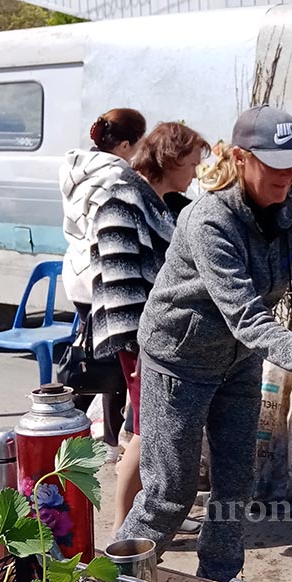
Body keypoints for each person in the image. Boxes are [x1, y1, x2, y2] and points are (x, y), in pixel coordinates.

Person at [113, 105, 292, 582]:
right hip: (179, 361)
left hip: (237, 363)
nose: (287, 176)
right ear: (240, 157)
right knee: (169, 493)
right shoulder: (210, 220)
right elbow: (248, 316)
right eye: (275, 165)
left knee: (236, 485)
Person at [86, 122, 211, 532]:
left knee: (145, 432)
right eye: (191, 163)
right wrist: (142, 349)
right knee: (144, 434)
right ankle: (125, 539)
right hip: (140, 340)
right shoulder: (122, 197)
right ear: (170, 159)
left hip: (156, 339)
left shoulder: (159, 201)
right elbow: (120, 281)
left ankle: (148, 521)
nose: (195, 172)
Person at [60, 107, 146, 460]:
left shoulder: (75, 168)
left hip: (77, 272)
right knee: (115, 359)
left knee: (97, 355)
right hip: (103, 274)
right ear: (126, 144)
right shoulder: (117, 176)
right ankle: (105, 438)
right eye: (138, 143)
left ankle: (72, 427)